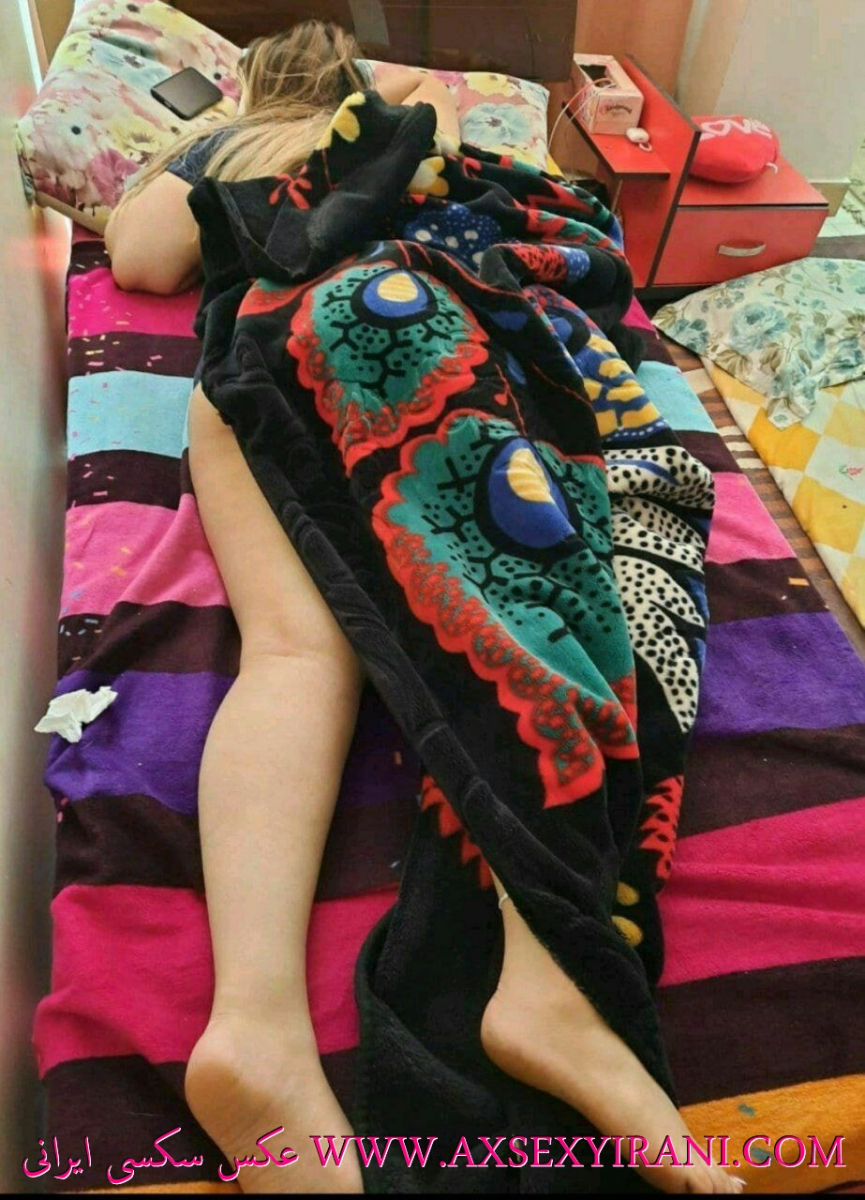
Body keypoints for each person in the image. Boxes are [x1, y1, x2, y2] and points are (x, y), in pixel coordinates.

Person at [105, 22, 744, 1196]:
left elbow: (140, 259)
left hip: (250, 381)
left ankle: (254, 1030)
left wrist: (217, 143)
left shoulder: (226, 153)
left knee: (295, 658)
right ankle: (546, 975)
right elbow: (473, 175)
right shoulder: (385, 120)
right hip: (385, 321)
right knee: (539, 599)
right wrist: (345, 116)